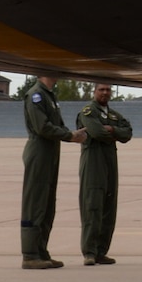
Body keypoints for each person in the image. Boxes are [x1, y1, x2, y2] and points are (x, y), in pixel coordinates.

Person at [19, 72, 85, 268]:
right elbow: (43, 127)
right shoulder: (36, 95)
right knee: (35, 202)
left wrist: (72, 134)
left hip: (50, 152)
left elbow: (57, 124)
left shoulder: (49, 95)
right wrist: (69, 136)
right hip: (39, 151)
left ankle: (41, 251)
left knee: (47, 203)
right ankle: (30, 255)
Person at [76, 83, 133, 265]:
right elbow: (97, 132)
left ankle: (101, 251)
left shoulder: (113, 115)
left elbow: (128, 133)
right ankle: (89, 252)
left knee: (108, 206)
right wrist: (113, 133)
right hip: (93, 162)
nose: (105, 93)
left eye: (108, 90)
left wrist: (114, 130)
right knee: (92, 206)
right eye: (101, 89)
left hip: (110, 162)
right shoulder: (88, 112)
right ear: (94, 92)